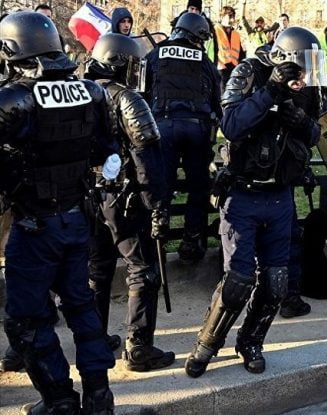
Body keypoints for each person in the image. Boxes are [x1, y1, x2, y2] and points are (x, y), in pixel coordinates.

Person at [185, 26, 323, 378]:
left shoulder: (308, 88)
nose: (307, 76)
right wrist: (271, 90)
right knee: (238, 281)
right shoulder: (250, 72)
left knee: (276, 283)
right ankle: (206, 345)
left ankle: (250, 342)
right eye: (302, 66)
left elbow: (316, 134)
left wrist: (301, 121)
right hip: (243, 193)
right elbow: (231, 125)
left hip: (280, 196)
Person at [0, 11, 117, 414]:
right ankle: (99, 397)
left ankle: (60, 401)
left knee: (26, 320)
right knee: (81, 306)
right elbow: (107, 152)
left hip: (35, 225)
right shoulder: (91, 92)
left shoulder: (13, 99)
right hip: (76, 217)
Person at [84, 33, 175, 373]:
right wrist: (157, 204)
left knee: (97, 269)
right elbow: (146, 157)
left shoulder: (82, 92)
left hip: (88, 197)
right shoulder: (128, 99)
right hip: (123, 200)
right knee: (142, 269)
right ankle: (139, 347)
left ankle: (94, 340)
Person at [144, 12, 222, 264]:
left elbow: (141, 90)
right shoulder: (204, 60)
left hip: (163, 127)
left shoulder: (156, 54)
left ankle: (159, 228)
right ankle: (192, 239)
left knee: (162, 184)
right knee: (198, 186)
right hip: (197, 130)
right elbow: (217, 98)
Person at [210, 6, 246, 91]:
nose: (232, 19)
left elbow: (241, 53)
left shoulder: (236, 34)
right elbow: (211, 52)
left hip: (234, 70)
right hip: (220, 70)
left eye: (233, 17)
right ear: (222, 17)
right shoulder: (214, 31)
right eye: (230, 16)